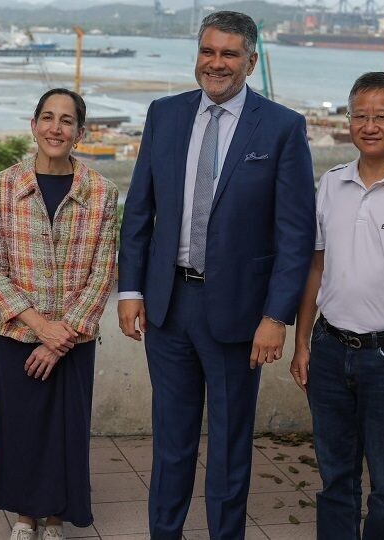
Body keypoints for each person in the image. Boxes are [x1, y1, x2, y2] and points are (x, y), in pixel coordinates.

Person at [117, 11, 316, 539]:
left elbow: (295, 234)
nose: (216, 63)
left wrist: (276, 316)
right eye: (208, 51)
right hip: (168, 307)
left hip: (239, 315)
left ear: (251, 61)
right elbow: (139, 210)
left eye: (230, 54)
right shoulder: (164, 114)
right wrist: (130, 289)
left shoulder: (282, 127)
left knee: (229, 447)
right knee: (171, 442)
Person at [289, 72, 384, 540]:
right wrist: (302, 342)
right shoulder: (332, 184)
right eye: (360, 116)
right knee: (335, 479)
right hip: (329, 350)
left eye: (382, 117)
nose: (369, 126)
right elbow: (316, 267)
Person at [0, 89, 119, 540]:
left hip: (74, 340)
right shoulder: (3, 185)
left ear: (80, 132)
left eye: (66, 120)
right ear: (33, 125)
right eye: (47, 117)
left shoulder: (102, 192)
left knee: (66, 429)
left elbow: (103, 272)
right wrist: (41, 328)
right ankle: (25, 515)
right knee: (22, 426)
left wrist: (63, 337)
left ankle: (56, 516)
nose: (55, 128)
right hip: (19, 334)